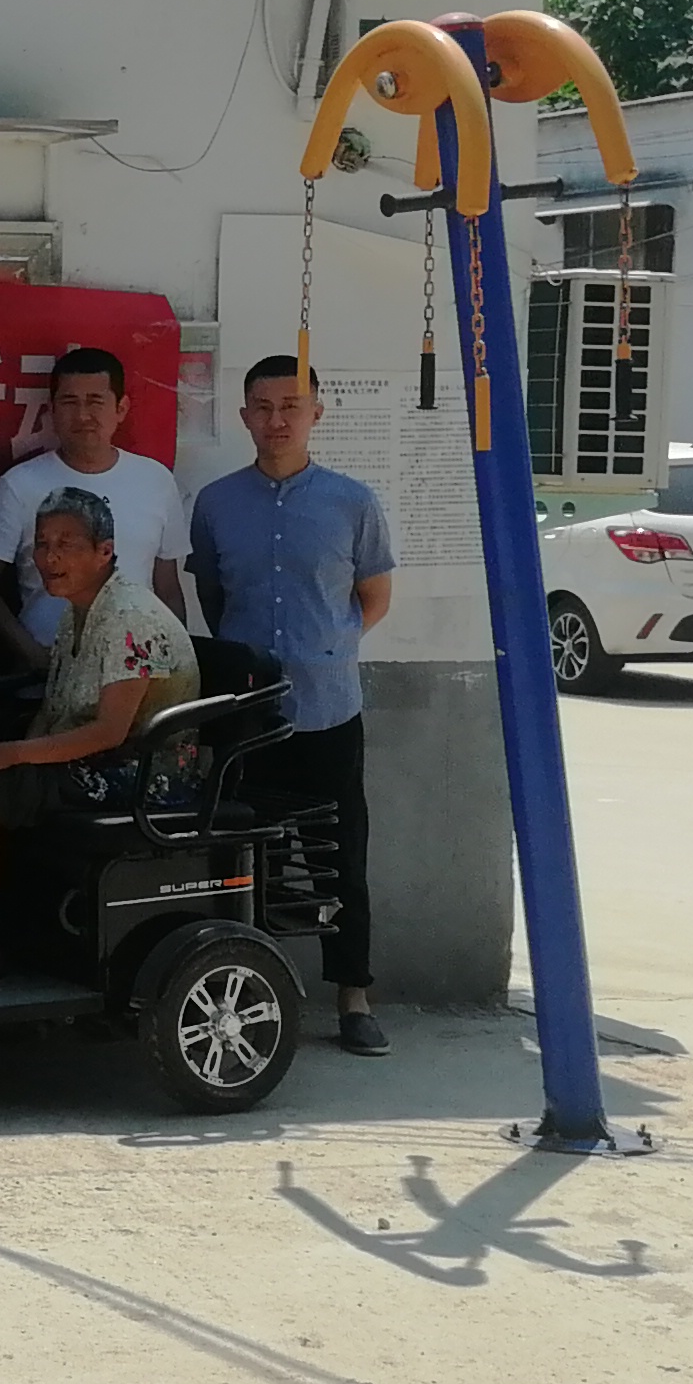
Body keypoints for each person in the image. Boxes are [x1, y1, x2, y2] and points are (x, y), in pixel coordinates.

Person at [190, 355, 399, 1056]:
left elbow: (374, 597)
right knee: (248, 859)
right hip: (247, 716)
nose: (276, 420)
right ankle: (251, 992)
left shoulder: (352, 502)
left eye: (291, 406)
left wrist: (328, 647)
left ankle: (354, 997)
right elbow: (213, 597)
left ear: (316, 412)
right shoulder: (215, 504)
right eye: (263, 407)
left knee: (340, 858)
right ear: (244, 416)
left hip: (328, 710)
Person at [0, 488, 199, 984]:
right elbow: (55, 709)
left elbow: (109, 732)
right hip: (87, 761)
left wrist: (10, 756)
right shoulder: (76, 610)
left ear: (105, 551)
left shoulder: (128, 618)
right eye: (42, 544)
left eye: (67, 544)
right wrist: (14, 756)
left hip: (139, 773)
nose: (49, 558)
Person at [0, 348, 190, 668]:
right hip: (47, 672)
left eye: (95, 401)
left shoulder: (156, 480)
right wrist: (33, 656)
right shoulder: (19, 484)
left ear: (121, 408)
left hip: (135, 673)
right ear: (52, 409)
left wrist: (176, 663)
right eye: (70, 402)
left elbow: (168, 588)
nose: (83, 415)